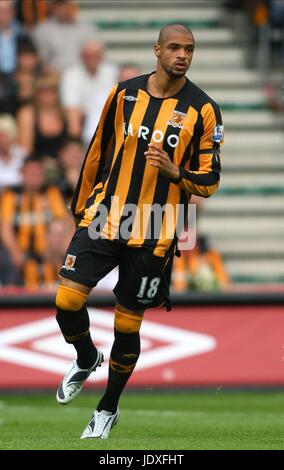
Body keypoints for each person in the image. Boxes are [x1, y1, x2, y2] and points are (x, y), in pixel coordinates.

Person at [55, 23, 224, 439]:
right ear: (157, 50)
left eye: (189, 49)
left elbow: (210, 180)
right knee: (65, 301)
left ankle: (107, 408)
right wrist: (81, 210)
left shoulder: (204, 110)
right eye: (174, 47)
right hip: (107, 214)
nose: (182, 55)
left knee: (127, 326)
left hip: (157, 228)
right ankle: (84, 356)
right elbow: (98, 149)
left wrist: (176, 172)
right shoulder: (124, 93)